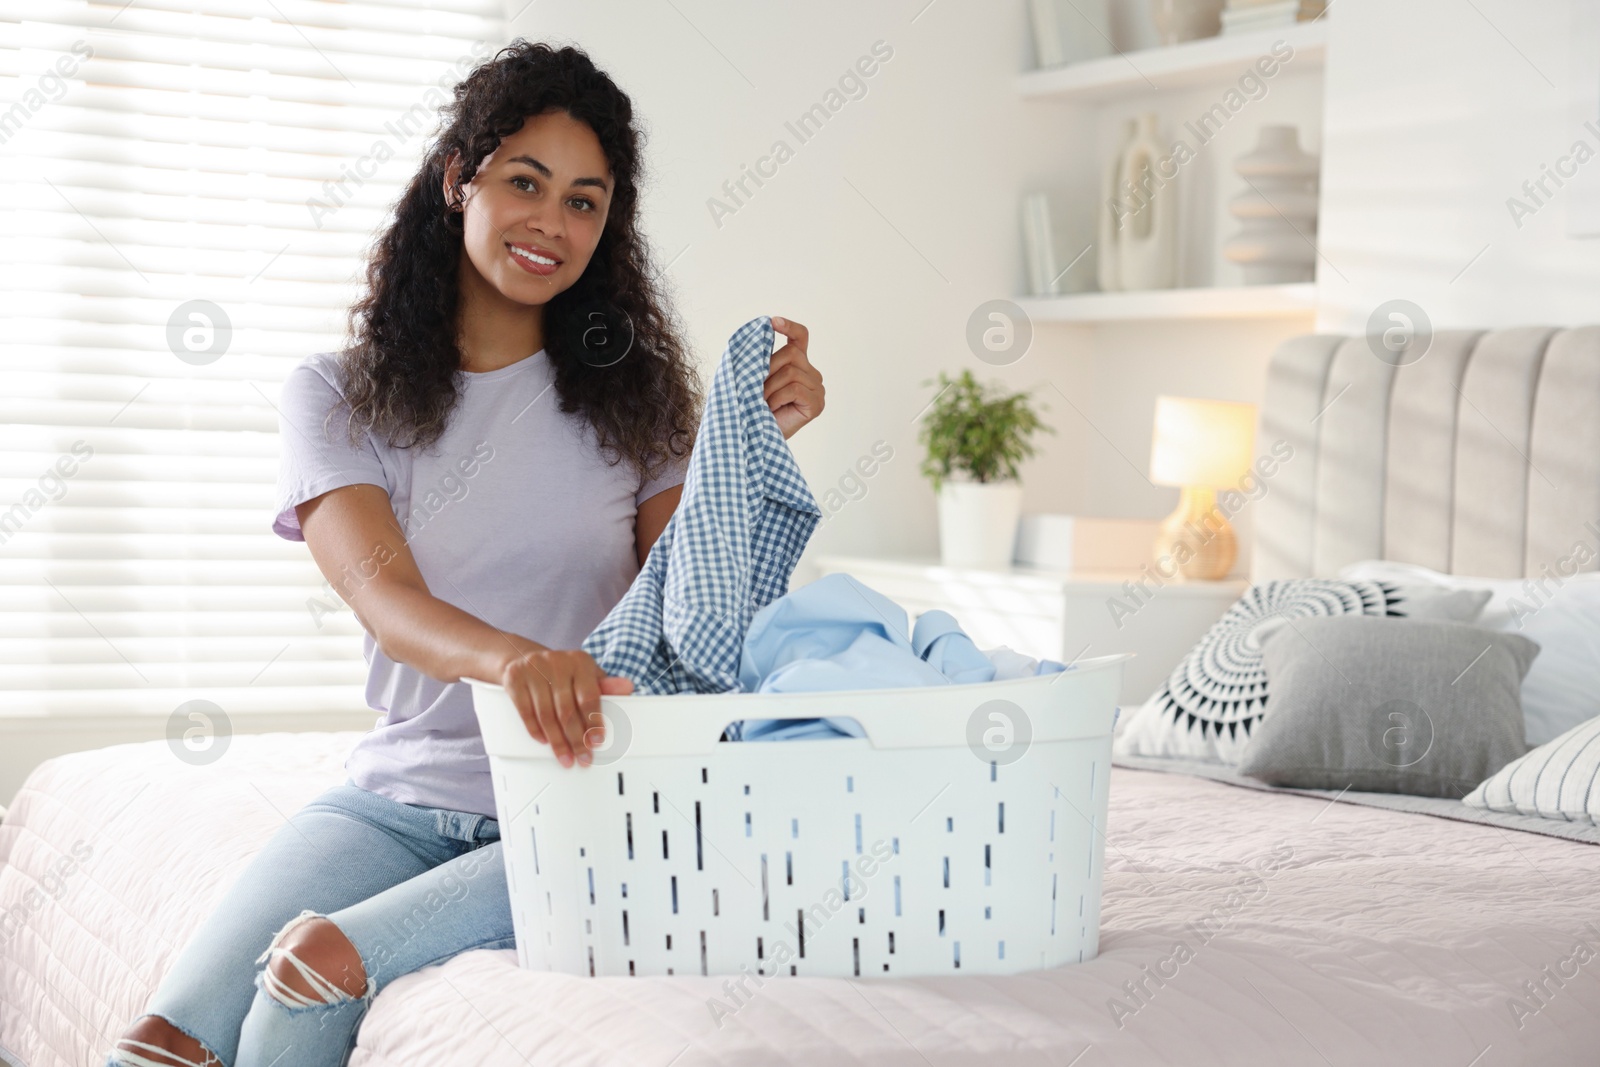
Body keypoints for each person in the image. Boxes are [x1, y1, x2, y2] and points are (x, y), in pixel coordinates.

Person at [106, 39, 824, 1067]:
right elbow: (380, 592)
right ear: (459, 180)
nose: (552, 221)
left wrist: (746, 450)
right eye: (524, 181)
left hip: (586, 795)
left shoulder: (646, 407)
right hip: (400, 795)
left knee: (305, 973)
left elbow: (696, 607)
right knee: (162, 1038)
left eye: (585, 199)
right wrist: (514, 660)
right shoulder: (336, 392)